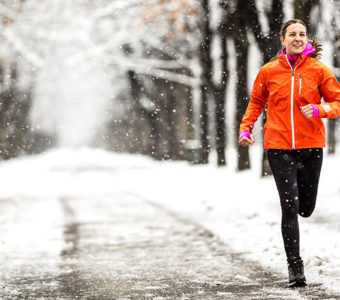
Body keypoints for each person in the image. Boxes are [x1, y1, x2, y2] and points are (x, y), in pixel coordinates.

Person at [238, 19, 340, 287]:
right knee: (289, 205)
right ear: (282, 39)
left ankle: (304, 213)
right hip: (279, 146)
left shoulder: (319, 70)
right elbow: (257, 101)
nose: (298, 38)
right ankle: (295, 266)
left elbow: (337, 102)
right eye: (292, 34)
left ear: (307, 39)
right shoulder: (269, 71)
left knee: (305, 207)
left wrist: (320, 110)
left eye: (302, 34)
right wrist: (245, 129)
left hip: (311, 147)